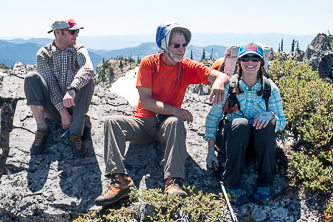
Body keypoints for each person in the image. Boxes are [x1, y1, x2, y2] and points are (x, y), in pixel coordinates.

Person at [94, 21, 230, 206]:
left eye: (184, 45)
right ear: (164, 45)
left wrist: (219, 81)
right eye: (176, 45)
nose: (181, 49)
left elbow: (220, 75)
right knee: (112, 122)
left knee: (175, 122)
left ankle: (173, 182)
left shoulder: (187, 66)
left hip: (166, 126)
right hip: (144, 122)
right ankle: (120, 181)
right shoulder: (149, 63)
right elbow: (147, 101)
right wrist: (175, 109)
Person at [204, 42, 286, 205]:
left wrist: (271, 117)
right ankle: (232, 184)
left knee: (265, 127)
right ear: (239, 62)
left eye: (255, 58)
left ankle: (265, 184)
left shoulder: (270, 88)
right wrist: (211, 151)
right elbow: (213, 118)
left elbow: (281, 122)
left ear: (261, 62)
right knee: (240, 124)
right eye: (245, 58)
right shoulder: (229, 86)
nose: (250, 62)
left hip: (256, 145)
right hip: (230, 140)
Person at [24, 16, 94, 158]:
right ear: (58, 33)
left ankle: (75, 133)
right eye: (72, 32)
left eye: (77, 32)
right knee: (31, 78)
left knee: (88, 81)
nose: (76, 35)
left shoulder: (78, 49)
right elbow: (50, 84)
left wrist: (72, 88)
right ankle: (42, 129)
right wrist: (63, 113)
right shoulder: (44, 54)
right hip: (53, 108)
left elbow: (88, 69)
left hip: (74, 105)